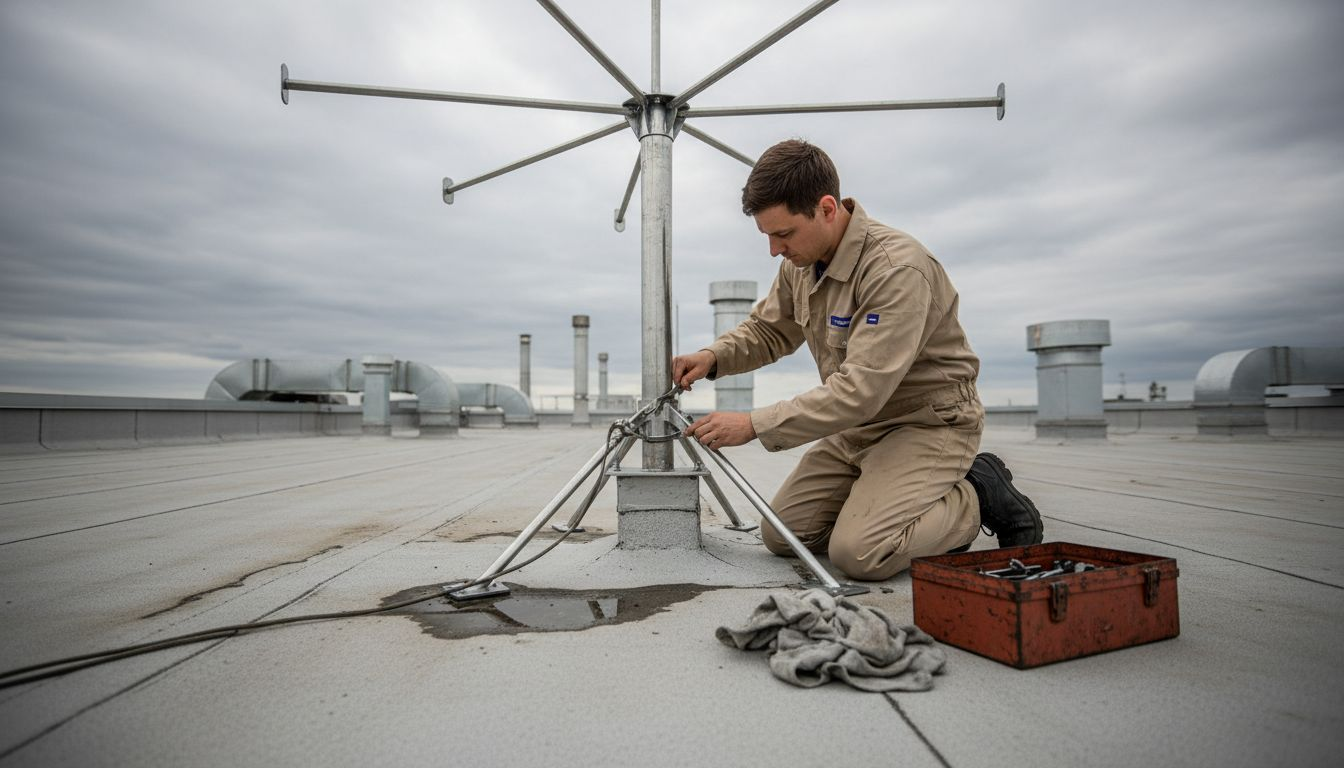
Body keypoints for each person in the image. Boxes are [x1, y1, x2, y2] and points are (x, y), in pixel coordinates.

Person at [672, 139, 1042, 581]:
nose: (774, 249)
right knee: (783, 535)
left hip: (926, 423)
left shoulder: (896, 269)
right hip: (858, 427)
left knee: (861, 553)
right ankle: (884, 499)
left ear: (827, 208)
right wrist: (712, 356)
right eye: (767, 235)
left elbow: (861, 390)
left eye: (783, 234)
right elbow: (769, 330)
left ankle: (978, 491)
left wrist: (753, 424)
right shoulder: (800, 264)